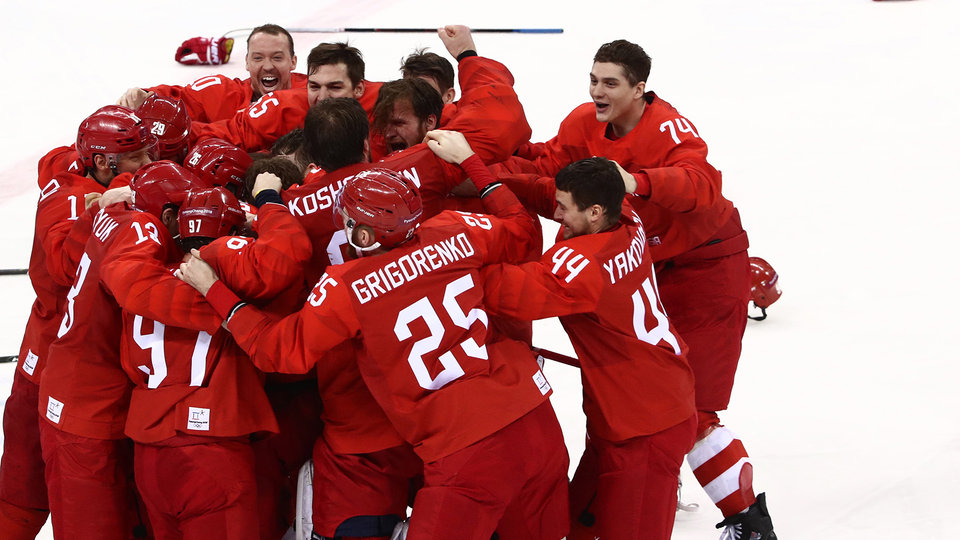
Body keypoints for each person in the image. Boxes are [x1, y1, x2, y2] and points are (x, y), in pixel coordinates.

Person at [178, 130, 569, 540]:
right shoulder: (455, 229)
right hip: (535, 418)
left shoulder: (348, 284)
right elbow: (523, 230)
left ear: (363, 236)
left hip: (464, 451)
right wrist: (472, 161)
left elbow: (278, 351)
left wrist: (214, 290)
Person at [492, 39, 776, 539]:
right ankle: (632, 494)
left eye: (611, 83)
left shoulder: (667, 126)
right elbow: (552, 170)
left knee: (690, 409)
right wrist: (489, 164)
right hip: (648, 259)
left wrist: (637, 181)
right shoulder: (584, 122)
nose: (597, 91)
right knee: (627, 405)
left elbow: (701, 184)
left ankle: (749, 522)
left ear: (640, 89)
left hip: (703, 265)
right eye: (594, 79)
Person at [482, 157, 697, 539]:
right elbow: (544, 192)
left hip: (647, 427)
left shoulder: (584, 266)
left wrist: (429, 261)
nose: (556, 212)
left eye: (564, 208)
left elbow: (505, 290)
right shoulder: (626, 216)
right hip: (630, 411)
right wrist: (486, 176)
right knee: (576, 523)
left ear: (595, 213)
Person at [117, 178, 310, 539]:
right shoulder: (236, 275)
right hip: (211, 453)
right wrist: (267, 204)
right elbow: (287, 253)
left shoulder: (143, 277)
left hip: (149, 453)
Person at [0, 105, 155, 539]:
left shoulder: (82, 169)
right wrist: (109, 203)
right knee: (24, 497)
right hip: (52, 369)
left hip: (68, 364)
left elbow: (54, 157)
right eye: (138, 157)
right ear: (105, 163)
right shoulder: (72, 199)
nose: (149, 165)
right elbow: (66, 264)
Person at [39, 160, 211, 539]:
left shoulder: (121, 210)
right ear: (165, 213)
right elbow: (131, 285)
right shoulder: (144, 229)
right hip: (84, 414)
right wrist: (224, 303)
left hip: (88, 398)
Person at [190, 42, 382, 153]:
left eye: (335, 87)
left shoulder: (388, 106)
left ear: (358, 89)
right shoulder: (281, 107)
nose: (322, 98)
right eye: (314, 86)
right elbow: (226, 134)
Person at [118, 24, 307, 122]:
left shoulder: (313, 92)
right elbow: (180, 97)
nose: (267, 66)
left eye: (277, 58)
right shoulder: (222, 92)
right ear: (247, 62)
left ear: (293, 62)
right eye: (258, 58)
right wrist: (145, 97)